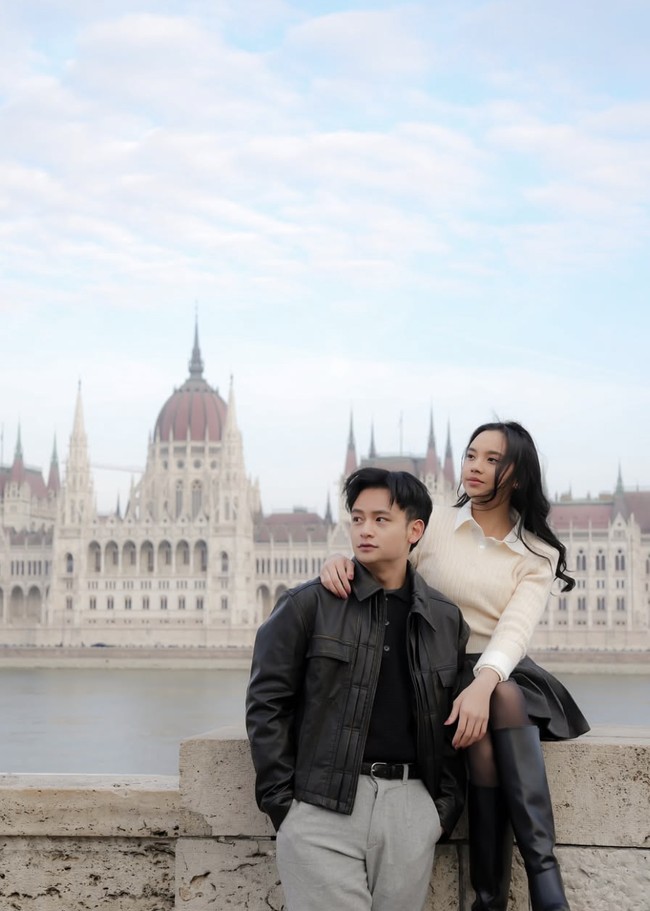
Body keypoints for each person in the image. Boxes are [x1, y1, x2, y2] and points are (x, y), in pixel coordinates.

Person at [321, 422, 589, 911]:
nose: (475, 467)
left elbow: (514, 631)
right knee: (485, 741)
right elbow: (385, 561)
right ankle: (529, 885)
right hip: (432, 667)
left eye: (491, 459)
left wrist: (483, 685)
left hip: (502, 672)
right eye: (471, 455)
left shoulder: (538, 553)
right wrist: (340, 561)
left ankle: (509, 886)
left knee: (501, 699)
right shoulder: (436, 522)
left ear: (519, 475)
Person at [246, 467, 469, 911]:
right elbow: (266, 704)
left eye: (381, 520)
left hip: (411, 811)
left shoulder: (444, 619)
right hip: (322, 808)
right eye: (357, 518)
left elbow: (450, 724)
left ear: (415, 530)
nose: (365, 530)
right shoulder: (308, 605)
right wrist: (286, 808)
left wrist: (439, 812)